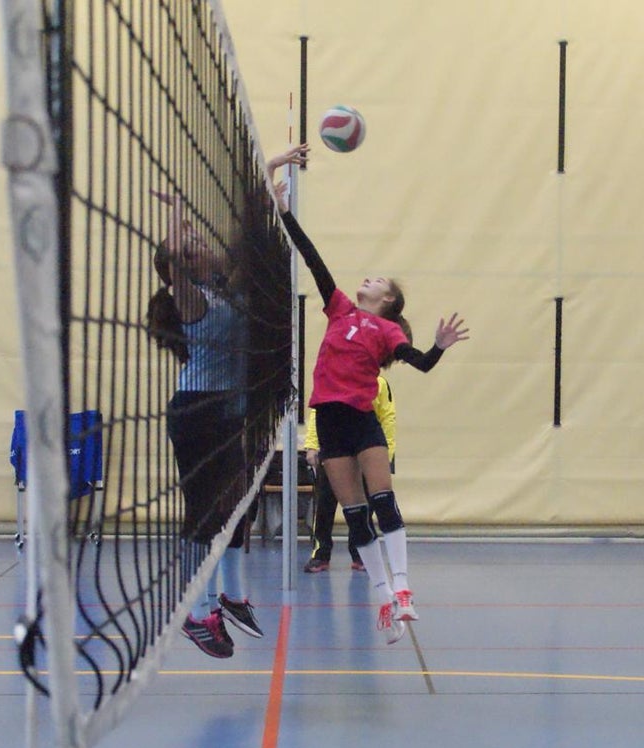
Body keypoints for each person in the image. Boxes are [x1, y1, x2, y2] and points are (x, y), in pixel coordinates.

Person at [268, 143, 469, 644]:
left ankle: (402, 589)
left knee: (383, 501)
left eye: (379, 280)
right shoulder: (339, 310)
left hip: (360, 420)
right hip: (329, 424)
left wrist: (439, 347)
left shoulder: (386, 332)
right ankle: (382, 599)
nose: (368, 278)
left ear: (389, 301)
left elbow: (419, 362)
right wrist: (285, 212)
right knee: (353, 513)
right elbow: (313, 262)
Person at [147, 191, 265, 658]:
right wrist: (177, 211)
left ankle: (231, 598)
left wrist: (272, 182)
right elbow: (174, 260)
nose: (200, 244)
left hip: (227, 411)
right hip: (197, 413)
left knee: (240, 506)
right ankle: (194, 615)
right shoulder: (191, 299)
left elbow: (248, 247)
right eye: (191, 245)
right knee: (205, 513)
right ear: (182, 268)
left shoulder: (224, 289)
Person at [303, 373, 398, 574]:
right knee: (325, 505)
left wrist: (385, 455)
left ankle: (359, 553)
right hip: (334, 452)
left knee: (364, 508)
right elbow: (317, 413)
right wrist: (312, 445)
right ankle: (321, 554)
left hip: (365, 453)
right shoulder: (330, 379)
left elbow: (387, 418)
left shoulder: (379, 383)